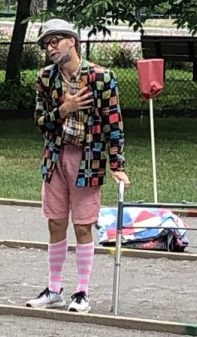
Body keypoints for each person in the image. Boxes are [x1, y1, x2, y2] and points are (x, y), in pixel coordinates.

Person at [27, 18, 130, 314]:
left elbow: (114, 122)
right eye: (46, 43)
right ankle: (54, 288)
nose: (50, 47)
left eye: (55, 41)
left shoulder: (101, 77)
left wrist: (116, 163)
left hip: (89, 158)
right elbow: (39, 121)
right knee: (55, 222)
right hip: (56, 156)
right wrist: (64, 109)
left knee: (83, 225)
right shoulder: (46, 78)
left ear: (71, 40)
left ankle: (82, 292)